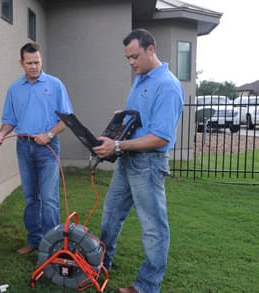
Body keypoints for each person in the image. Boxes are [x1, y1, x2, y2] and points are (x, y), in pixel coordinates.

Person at [92, 29, 184, 293]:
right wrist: (123, 116)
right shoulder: (141, 78)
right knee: (110, 217)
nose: (131, 63)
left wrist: (117, 145)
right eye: (127, 59)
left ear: (151, 49)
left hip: (148, 164)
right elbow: (144, 117)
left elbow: (160, 137)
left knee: (153, 228)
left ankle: (147, 286)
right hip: (127, 160)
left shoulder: (167, 85)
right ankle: (99, 265)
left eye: (135, 56)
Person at [0, 43, 73, 255]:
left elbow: (67, 120)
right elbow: (9, 121)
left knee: (49, 199)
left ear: (41, 60)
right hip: (24, 148)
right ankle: (34, 240)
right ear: (21, 63)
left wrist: (49, 135)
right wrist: (1, 133)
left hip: (48, 149)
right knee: (31, 197)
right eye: (30, 63)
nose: (34, 66)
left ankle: (51, 245)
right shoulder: (14, 89)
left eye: (37, 62)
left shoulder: (55, 85)